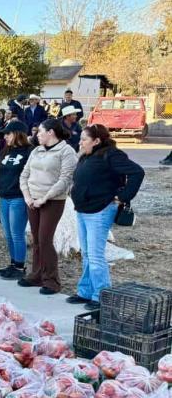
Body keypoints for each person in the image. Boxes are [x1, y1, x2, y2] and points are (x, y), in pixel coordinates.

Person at [67, 124, 144, 309]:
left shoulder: (111, 155)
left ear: (97, 141)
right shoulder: (87, 156)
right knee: (86, 253)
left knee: (95, 256)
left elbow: (137, 172)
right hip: (83, 210)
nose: (80, 142)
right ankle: (85, 292)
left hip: (100, 211)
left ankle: (102, 296)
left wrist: (122, 196)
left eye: (84, 139)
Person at [18, 119, 79, 295]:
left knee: (45, 239)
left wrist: (44, 198)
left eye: (40, 132)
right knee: (36, 239)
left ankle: (52, 280)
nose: (37, 135)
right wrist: (28, 196)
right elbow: (24, 174)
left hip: (52, 200)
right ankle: (36, 275)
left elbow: (65, 179)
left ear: (51, 132)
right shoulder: (36, 150)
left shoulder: (66, 151)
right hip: (32, 200)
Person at [0, 121, 33, 280]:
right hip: (5, 199)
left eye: (8, 133)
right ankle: (13, 263)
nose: (5, 137)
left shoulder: (30, 151)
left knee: (17, 234)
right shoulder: (5, 151)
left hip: (19, 198)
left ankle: (20, 267)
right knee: (8, 234)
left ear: (18, 133)